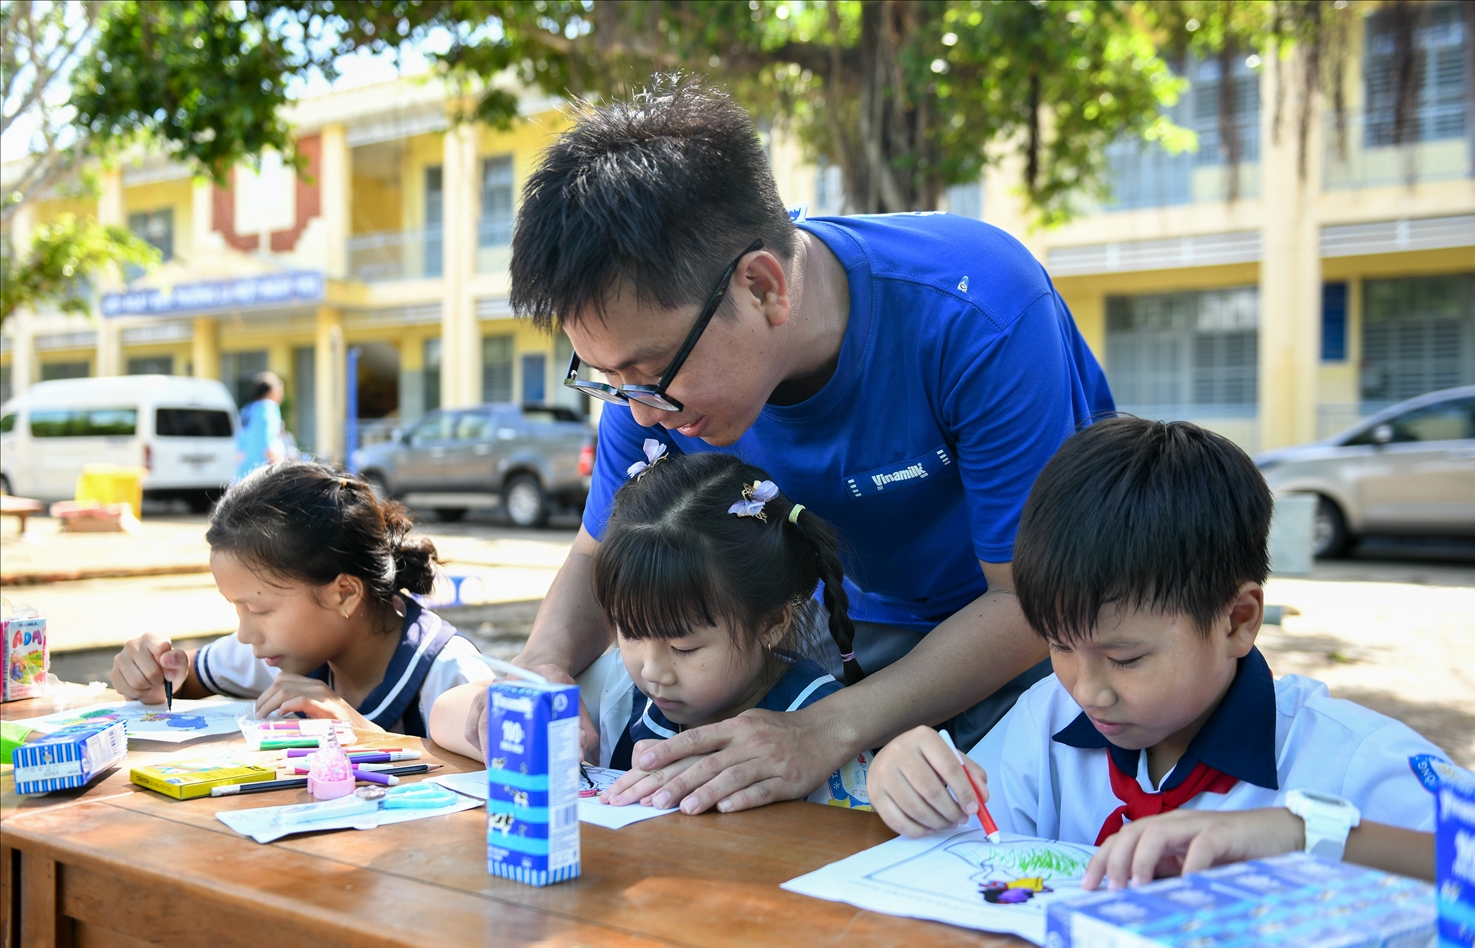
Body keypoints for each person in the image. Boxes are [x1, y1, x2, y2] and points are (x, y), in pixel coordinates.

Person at [465, 76, 1112, 816]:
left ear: (764, 288)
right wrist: (540, 671)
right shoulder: (649, 383)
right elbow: (595, 554)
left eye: (647, 374)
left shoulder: (976, 311)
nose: (638, 417)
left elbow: (1029, 600)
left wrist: (823, 729)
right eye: (607, 379)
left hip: (1044, 639)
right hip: (843, 636)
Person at [866, 417, 1445, 887]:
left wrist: (1301, 834)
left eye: (1125, 659)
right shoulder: (1047, 719)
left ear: (1238, 620)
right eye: (1061, 645)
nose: (1087, 689)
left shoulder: (1338, 758)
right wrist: (908, 786)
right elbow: (965, 854)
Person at [431, 449, 873, 810]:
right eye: (629, 631)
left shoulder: (817, 730)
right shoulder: (627, 694)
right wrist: (522, 719)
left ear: (773, 623)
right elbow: (443, 715)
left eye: (684, 646)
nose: (653, 670)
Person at [110, 462, 494, 734]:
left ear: (344, 593)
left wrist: (363, 735)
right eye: (237, 609)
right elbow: (189, 675)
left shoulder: (451, 676)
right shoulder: (282, 653)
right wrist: (154, 668)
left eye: (259, 610)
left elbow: (515, 783)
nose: (245, 634)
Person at [234, 371, 287, 481]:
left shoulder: (248, 409)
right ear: (270, 391)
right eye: (280, 390)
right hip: (263, 476)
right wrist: (282, 471)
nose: (282, 394)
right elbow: (267, 443)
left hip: (244, 475)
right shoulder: (268, 408)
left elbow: (240, 448)